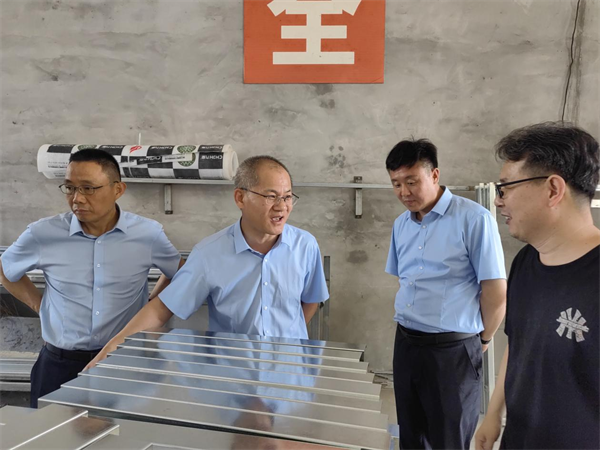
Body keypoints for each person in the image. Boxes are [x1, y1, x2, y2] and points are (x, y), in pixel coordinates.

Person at [86, 155, 329, 369]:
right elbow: (161, 310)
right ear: (240, 198)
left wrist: (285, 345)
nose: (282, 207)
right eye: (271, 196)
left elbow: (311, 301)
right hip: (233, 376)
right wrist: (109, 350)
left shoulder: (305, 246)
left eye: (287, 197)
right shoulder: (209, 254)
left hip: (290, 373)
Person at [0, 149, 183, 407]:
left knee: (123, 431)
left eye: (88, 188)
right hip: (59, 364)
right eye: (70, 188)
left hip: (124, 361)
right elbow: (6, 270)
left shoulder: (147, 235)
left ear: (118, 189)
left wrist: (152, 305)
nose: (77, 198)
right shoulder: (43, 233)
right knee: (50, 431)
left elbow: (180, 273)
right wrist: (40, 306)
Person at [475, 122, 600, 450]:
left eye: (505, 188)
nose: (498, 201)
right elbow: (519, 344)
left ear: (553, 189)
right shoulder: (526, 261)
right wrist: (493, 413)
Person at [385, 139, 507, 450]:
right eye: (396, 184)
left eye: (412, 181)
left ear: (435, 175)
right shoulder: (401, 225)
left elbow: (495, 291)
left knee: (448, 438)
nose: (404, 192)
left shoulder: (474, 219)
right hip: (407, 344)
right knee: (411, 434)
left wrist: (482, 339)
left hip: (452, 351)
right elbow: (405, 279)